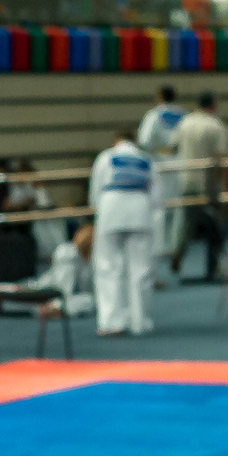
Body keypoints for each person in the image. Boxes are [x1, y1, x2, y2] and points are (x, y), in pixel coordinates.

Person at [89, 126, 158, 337]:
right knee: (141, 269)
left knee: (108, 267)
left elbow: (95, 191)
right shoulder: (147, 160)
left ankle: (112, 322)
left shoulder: (106, 157)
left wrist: (97, 213)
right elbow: (157, 197)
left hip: (111, 211)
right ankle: (141, 322)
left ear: (115, 141)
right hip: (141, 210)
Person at [171, 92, 228, 280]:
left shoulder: (184, 123)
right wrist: (226, 185)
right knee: (216, 224)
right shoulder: (215, 125)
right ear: (213, 104)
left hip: (186, 179)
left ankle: (177, 253)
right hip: (208, 183)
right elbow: (221, 158)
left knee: (187, 223)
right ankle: (214, 265)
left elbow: (172, 146)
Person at [136, 84, 188, 264]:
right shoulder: (184, 115)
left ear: (159, 97)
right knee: (178, 207)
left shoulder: (154, 115)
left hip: (160, 164)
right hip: (180, 163)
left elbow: (144, 141)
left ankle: (159, 247)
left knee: (160, 207)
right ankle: (175, 245)